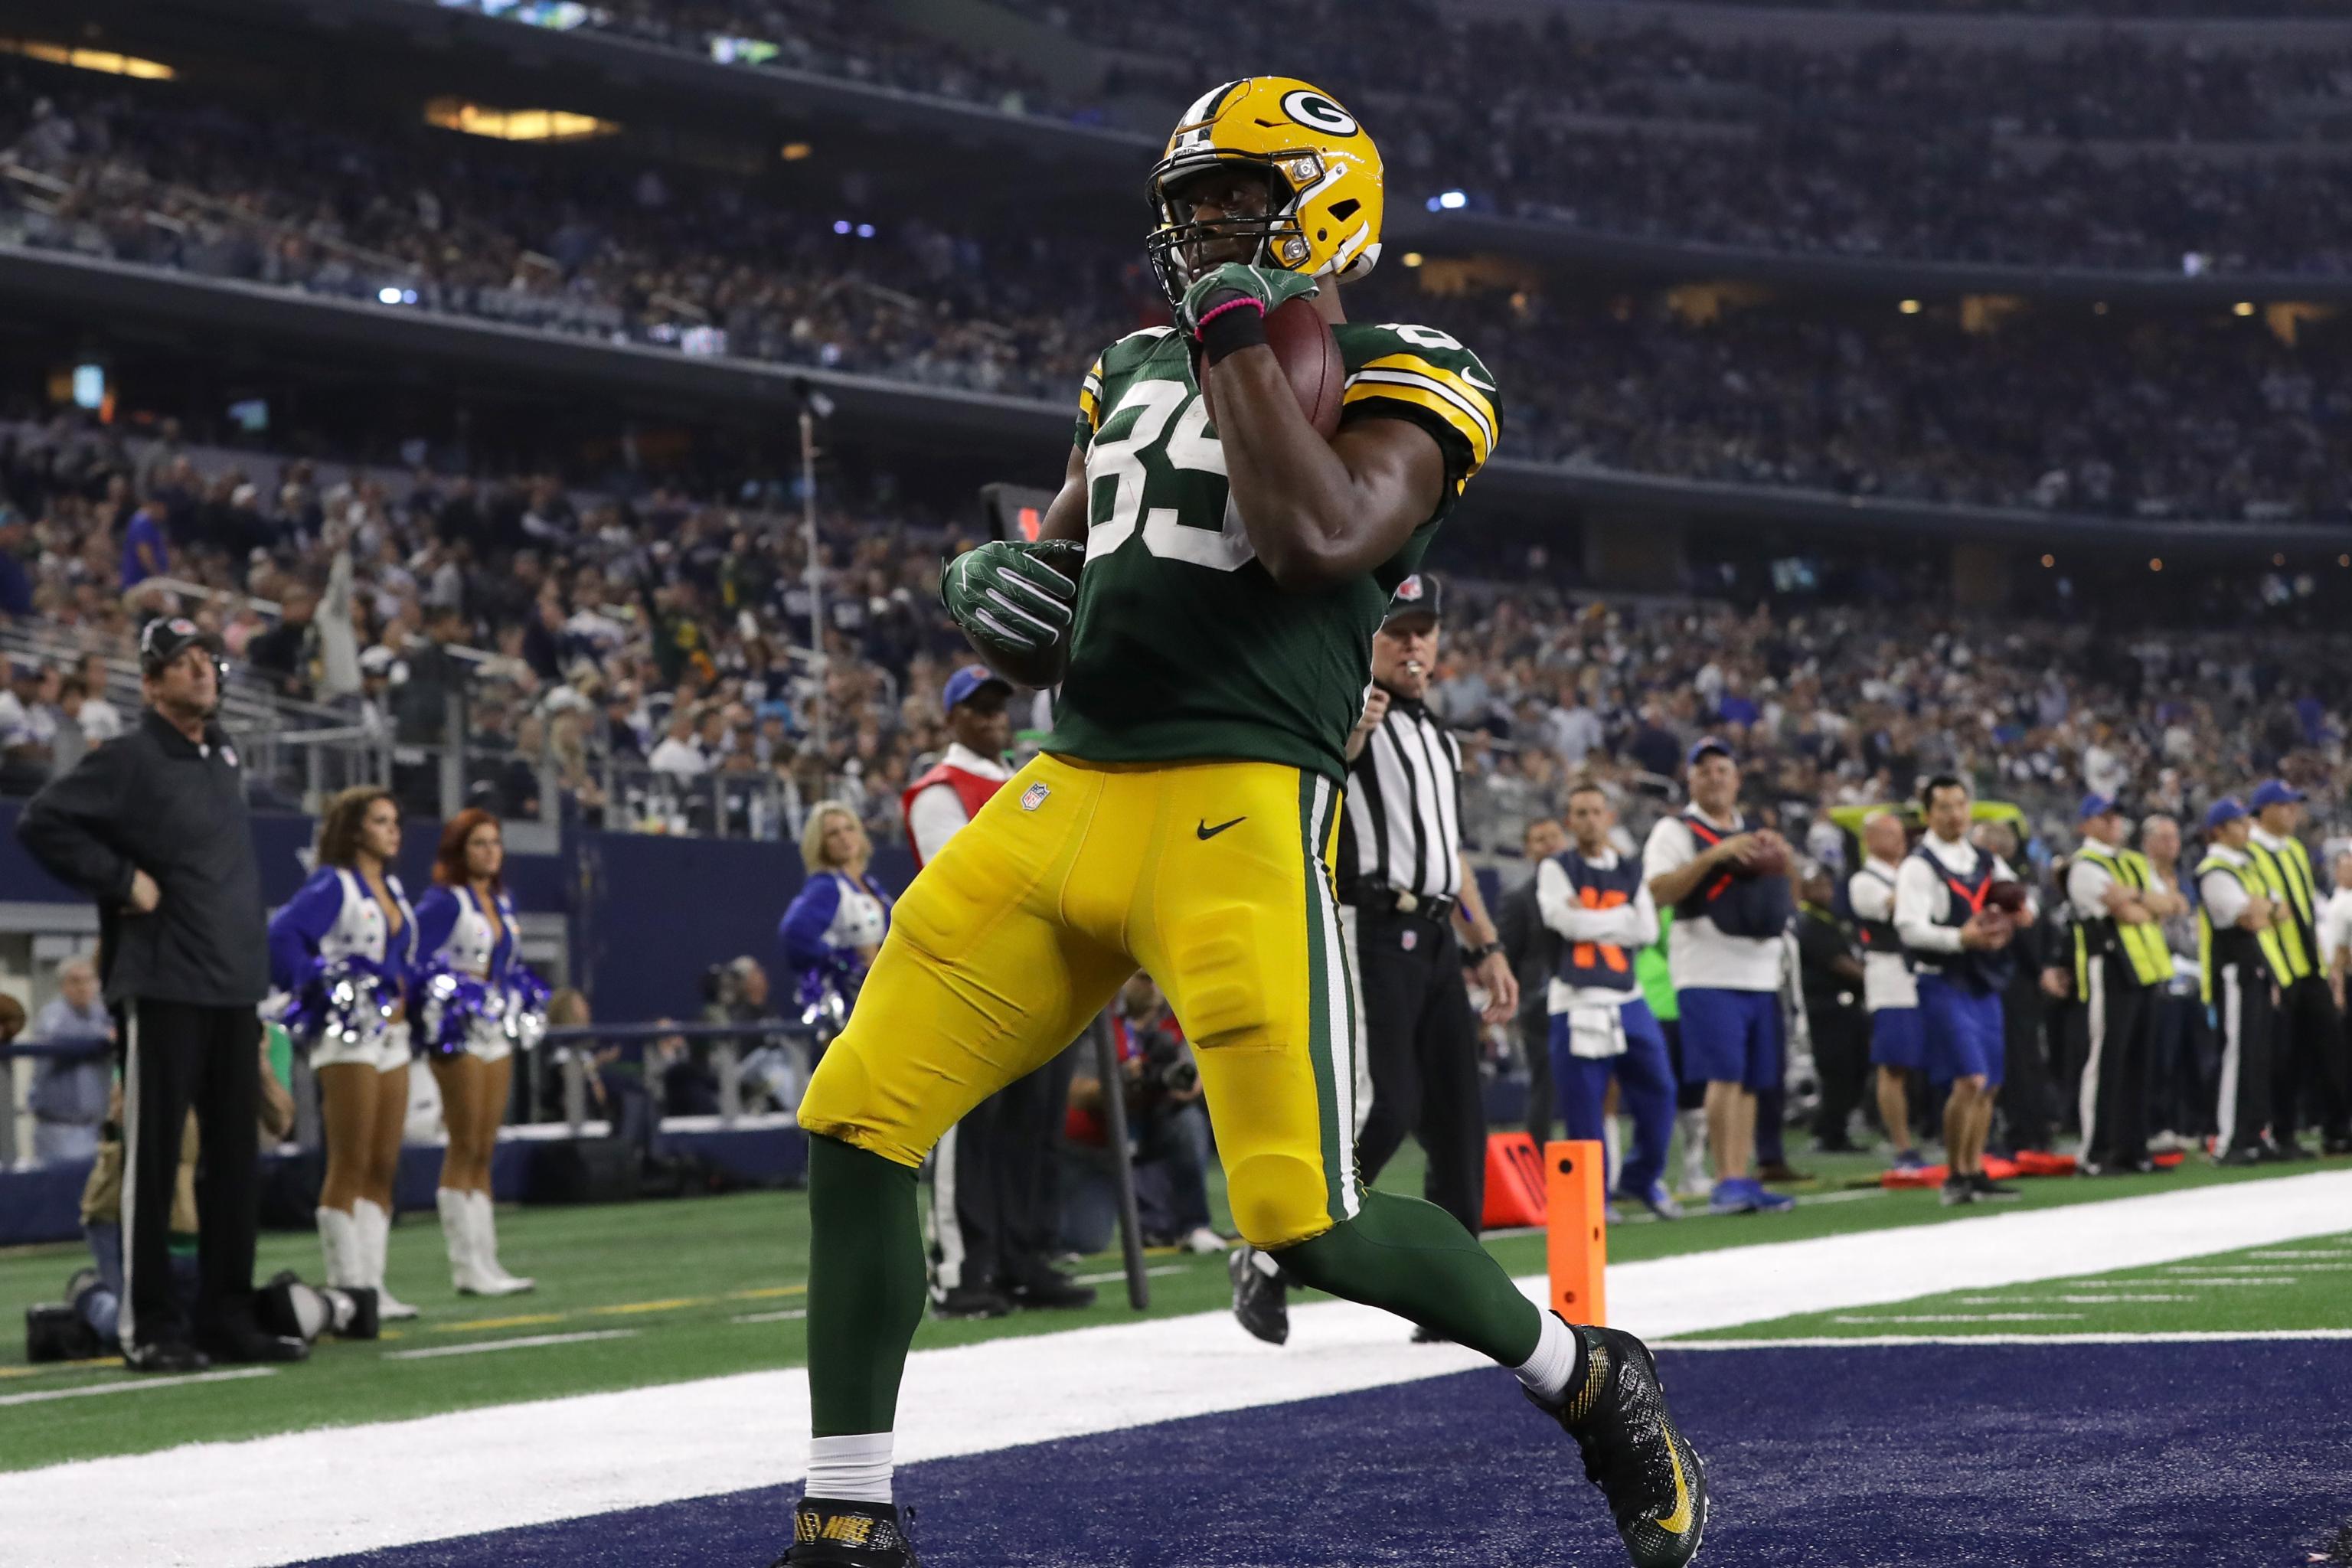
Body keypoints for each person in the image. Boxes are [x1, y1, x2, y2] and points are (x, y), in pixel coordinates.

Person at [781, 78, 1705, 1568]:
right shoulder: (1130, 366)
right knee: (856, 1119)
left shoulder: (1414, 364)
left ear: (1329, 204)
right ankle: (847, 1512)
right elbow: (1075, 568)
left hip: (1236, 803)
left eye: (1244, 195)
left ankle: (1593, 1376)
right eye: (1193, 200)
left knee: (1310, 1220)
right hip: (1069, 786)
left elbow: (1318, 539)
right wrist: (994, 594)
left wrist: (1233, 340)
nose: (1209, 224)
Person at [16, 614, 301, 1371]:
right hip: (166, 982)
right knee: (153, 1157)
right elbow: (42, 819)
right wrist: (121, 880)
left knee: (236, 1161)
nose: (203, 669)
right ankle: (151, 1323)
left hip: (232, 984)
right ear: (149, 682)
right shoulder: (131, 758)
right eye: (183, 661)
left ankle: (227, 1313)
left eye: (208, 657)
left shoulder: (223, 756)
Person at [900, 665, 1092, 1317]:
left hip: (1044, 977)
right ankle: (962, 1270)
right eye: (976, 710)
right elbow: (962, 884)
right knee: (972, 1131)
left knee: (1035, 1129)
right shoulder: (939, 789)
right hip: (976, 983)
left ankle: (1022, 1258)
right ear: (950, 720)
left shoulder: (1026, 782)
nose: (991, 720)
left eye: (996, 708)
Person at [269, 786, 423, 1318]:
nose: (393, 830)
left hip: (394, 1037)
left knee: (383, 1163)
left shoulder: (395, 888)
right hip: (348, 1033)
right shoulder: (332, 884)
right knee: (350, 1162)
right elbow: (283, 934)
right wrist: (317, 981)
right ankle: (347, 1287)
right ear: (356, 830)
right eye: (381, 821)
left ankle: (373, 1288)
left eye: (395, 820)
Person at [1643, 738, 1795, 1216]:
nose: (1714, 778)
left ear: (1737, 778)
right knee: (1725, 1076)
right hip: (1707, 969)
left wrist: (1782, 860)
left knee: (1751, 1081)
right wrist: (1714, 856)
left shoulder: (1756, 831)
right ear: (1691, 779)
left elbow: (1788, 895)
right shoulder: (1675, 830)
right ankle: (1724, 1181)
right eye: (1704, 770)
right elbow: (1658, 891)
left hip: (1761, 970)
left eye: (1723, 769)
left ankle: (1739, 1175)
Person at [1538, 784, 1679, 1220]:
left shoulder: (1630, 868)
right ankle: (1592, 1198)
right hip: (1576, 1001)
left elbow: (1648, 932)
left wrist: (1592, 919)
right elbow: (1563, 921)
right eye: (1580, 812)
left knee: (1660, 1091)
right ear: (1569, 821)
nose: (1589, 820)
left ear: (1610, 816)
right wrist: (1620, 920)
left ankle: (1641, 1179)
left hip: (1627, 995)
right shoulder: (1555, 867)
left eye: (1596, 811)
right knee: (1585, 1108)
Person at [1894, 775, 2036, 1206]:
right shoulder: (1919, 866)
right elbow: (1908, 927)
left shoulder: (1985, 859)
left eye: (1960, 805)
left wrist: (2019, 914)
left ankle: (1975, 1169)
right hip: (1944, 977)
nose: (1955, 814)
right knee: (1969, 1079)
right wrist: (1961, 938)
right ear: (1927, 815)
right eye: (1944, 807)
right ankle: (1955, 1175)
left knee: (1989, 1083)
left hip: (1983, 978)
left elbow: (2023, 901)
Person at [413, 808, 536, 1297]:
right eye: (479, 843)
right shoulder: (443, 902)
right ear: (459, 851)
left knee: (485, 1146)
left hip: (494, 1027)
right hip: (456, 1029)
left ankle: (487, 1261)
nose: (490, 852)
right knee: (463, 1143)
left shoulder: (502, 900)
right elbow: (417, 959)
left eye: (495, 843)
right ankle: (465, 1265)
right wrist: (449, 996)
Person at [1061, 973, 1219, 1254]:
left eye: (1160, 978)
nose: (1156, 988)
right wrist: (1118, 1082)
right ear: (1125, 976)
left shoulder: (1177, 1014)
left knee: (1189, 1122)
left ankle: (1193, 1226)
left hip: (1152, 1125)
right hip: (1099, 1140)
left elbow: (1195, 1079)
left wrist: (1183, 1082)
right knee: (1084, 1241)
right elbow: (1076, 1095)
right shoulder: (1097, 1012)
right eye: (1146, 979)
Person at [2067, 795, 2178, 1174]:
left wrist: (2136, 897)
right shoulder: (2084, 865)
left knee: (2139, 1062)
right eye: (2104, 817)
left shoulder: (2130, 862)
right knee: (2107, 1060)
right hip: (2110, 966)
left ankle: (2133, 1148)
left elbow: (2170, 904)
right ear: (2086, 824)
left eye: (2115, 816)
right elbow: (2127, 912)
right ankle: (2096, 1150)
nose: (2114, 823)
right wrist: (2143, 902)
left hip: (2144, 968)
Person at [2245, 780, 2350, 1155]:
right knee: (2282, 1054)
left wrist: (2325, 963)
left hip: (2310, 965)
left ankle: (2339, 1128)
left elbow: (2307, 910)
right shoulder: (2250, 853)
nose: (2294, 812)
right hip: (2279, 967)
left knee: (2331, 1047)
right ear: (2266, 810)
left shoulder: (2294, 851)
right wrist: (2270, 970)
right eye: (2286, 805)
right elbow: (2257, 913)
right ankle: (2283, 1133)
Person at [2196, 799, 2289, 1164]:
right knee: (2237, 1053)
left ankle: (2255, 1131)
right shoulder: (2214, 868)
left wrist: (2262, 907)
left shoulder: (2246, 865)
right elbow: (2249, 917)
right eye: (2238, 823)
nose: (2247, 828)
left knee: (2258, 1053)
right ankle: (2231, 1138)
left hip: (2255, 967)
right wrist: (2263, 907)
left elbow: (2280, 911)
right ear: (2219, 829)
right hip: (2234, 969)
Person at [1848, 812, 1926, 1170]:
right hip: (1891, 976)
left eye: (1901, 834)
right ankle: (1901, 1144)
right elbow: (1897, 905)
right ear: (1870, 839)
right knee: (1894, 1064)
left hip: (1922, 971)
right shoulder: (1865, 881)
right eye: (1890, 834)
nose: (1900, 840)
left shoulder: (1904, 872)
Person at [779, 802, 894, 1019]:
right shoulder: (826, 886)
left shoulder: (869, 884)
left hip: (880, 996)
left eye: (849, 828)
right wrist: (843, 963)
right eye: (833, 833)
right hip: (848, 1005)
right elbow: (794, 934)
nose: (844, 837)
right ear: (821, 844)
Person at [2141, 815, 2213, 1150]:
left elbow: (2193, 926)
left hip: (2191, 976)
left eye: (2175, 837)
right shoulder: (2142, 878)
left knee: (2194, 1055)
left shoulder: (2184, 880)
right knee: (2162, 1055)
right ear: (2149, 842)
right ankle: (2158, 1124)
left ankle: (2190, 1124)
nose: (2173, 843)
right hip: (2159, 976)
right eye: (2165, 837)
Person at [1498, 816, 1569, 1147]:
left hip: (1586, 992)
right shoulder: (1519, 898)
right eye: (1540, 839)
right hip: (1541, 1006)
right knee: (1547, 1085)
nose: (1550, 844)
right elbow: (1507, 958)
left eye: (1554, 836)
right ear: (1528, 850)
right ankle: (1537, 1167)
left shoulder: (1583, 884)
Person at [1792, 862, 1868, 1155]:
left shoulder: (1830, 919)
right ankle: (1829, 1132)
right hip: (1826, 1006)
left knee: (1854, 1070)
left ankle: (1836, 1129)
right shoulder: (1808, 922)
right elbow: (1838, 963)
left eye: (1827, 884)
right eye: (1817, 885)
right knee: (1838, 1071)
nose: (1824, 890)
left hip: (1847, 1005)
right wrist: (1875, 978)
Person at [28, 957, 113, 1164]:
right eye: (75, 981)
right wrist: (103, 1036)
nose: (83, 987)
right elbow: (61, 1035)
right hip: (60, 1127)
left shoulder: (99, 1013)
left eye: (89, 980)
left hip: (95, 1126)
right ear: (63, 986)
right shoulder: (54, 1013)